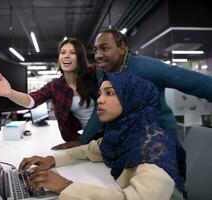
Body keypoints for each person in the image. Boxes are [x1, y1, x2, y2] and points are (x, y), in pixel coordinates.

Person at [18, 72, 186, 200]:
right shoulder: (127, 132)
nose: (99, 100)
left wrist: (65, 186)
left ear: (132, 99)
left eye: (110, 93)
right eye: (100, 93)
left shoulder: (154, 149)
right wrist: (51, 160)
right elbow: (91, 150)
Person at [82, 28, 212, 141]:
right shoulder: (102, 72)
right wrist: (83, 140)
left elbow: (195, 82)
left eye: (104, 48)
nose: (98, 55)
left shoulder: (146, 67)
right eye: (95, 50)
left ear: (122, 48)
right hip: (128, 140)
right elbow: (101, 107)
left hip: (160, 141)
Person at [0, 38, 99, 149]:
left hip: (106, 132)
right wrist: (10, 93)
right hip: (84, 139)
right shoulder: (56, 86)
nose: (66, 55)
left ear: (80, 58)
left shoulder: (94, 74)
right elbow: (32, 100)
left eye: (72, 52)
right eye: (63, 52)